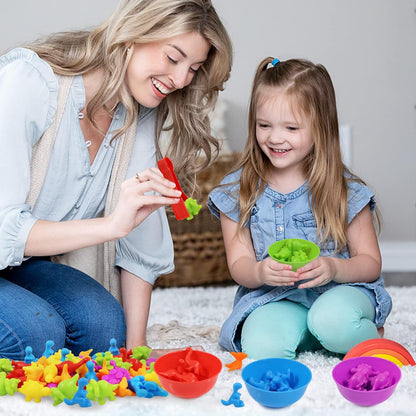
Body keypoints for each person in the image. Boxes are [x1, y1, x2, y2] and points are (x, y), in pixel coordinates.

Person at [0, 0, 232, 361]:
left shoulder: (138, 112)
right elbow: (4, 230)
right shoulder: (28, 81)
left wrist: (136, 350)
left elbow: (140, 235)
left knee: (104, 329)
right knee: (36, 333)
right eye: (173, 58)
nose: (182, 79)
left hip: (19, 264)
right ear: (132, 34)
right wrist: (110, 225)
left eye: (194, 68)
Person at [208, 57, 392, 359]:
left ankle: (349, 331)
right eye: (264, 125)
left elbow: (370, 263)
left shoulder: (343, 188)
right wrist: (260, 271)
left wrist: (334, 267)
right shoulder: (237, 190)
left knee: (334, 321)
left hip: (339, 294)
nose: (275, 138)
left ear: (320, 127)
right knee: (261, 347)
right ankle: (318, 336)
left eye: (291, 128)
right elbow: (239, 264)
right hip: (278, 298)